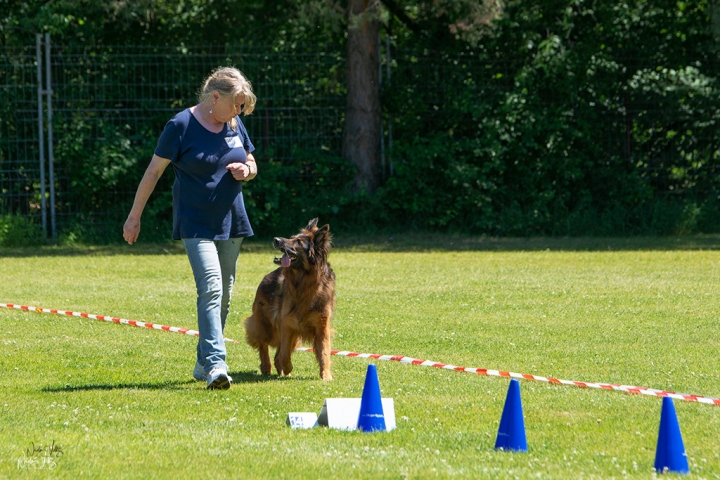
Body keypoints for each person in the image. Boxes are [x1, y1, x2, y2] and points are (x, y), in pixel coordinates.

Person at [123, 66, 258, 390]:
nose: (238, 111)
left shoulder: (234, 123)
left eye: (241, 106)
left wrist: (248, 170)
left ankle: (202, 362)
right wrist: (134, 216)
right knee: (211, 286)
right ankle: (216, 365)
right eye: (235, 104)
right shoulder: (180, 126)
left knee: (224, 295)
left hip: (231, 220)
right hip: (195, 221)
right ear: (215, 97)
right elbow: (153, 172)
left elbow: (252, 161)